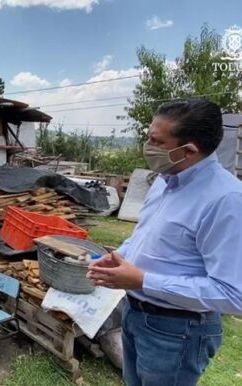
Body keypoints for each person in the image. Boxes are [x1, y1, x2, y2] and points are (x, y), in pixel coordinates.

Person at [87, 99, 242, 386]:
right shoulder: (165, 180)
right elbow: (146, 235)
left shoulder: (226, 200)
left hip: (177, 330)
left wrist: (142, 280)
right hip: (135, 315)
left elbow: (233, 294)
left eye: (155, 141)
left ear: (189, 150)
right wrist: (119, 257)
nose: (146, 145)